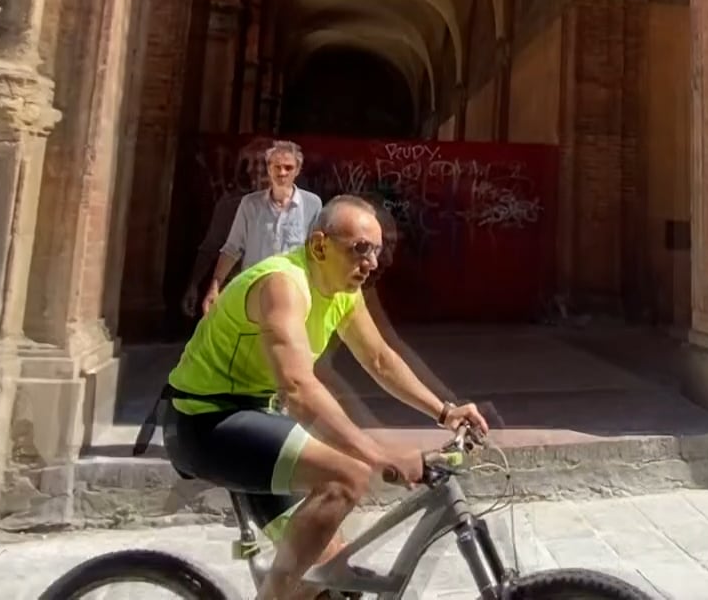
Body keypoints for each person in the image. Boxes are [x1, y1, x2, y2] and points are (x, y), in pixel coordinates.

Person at [162, 194, 488, 600]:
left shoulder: (342, 292)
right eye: (360, 249)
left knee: (330, 581)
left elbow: (381, 360)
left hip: (256, 419)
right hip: (206, 421)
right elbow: (297, 389)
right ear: (319, 245)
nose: (370, 263)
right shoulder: (282, 284)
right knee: (347, 474)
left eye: (377, 252)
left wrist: (445, 411)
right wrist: (378, 454)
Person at [185, 140, 321, 317]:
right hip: (251, 292)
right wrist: (212, 286)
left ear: (297, 170)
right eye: (276, 166)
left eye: (288, 167)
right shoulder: (246, 205)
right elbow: (229, 249)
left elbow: (316, 253)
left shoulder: (312, 204)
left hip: (293, 295)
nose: (282, 172)